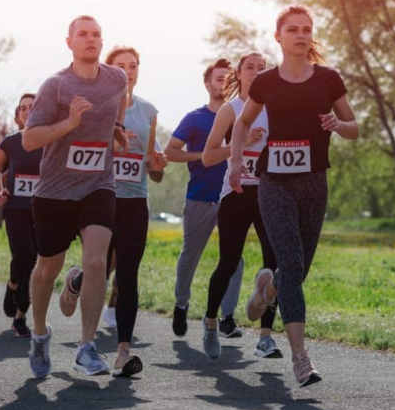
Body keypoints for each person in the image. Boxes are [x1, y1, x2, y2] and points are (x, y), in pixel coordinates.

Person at [230, 5, 359, 387]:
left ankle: (266, 290)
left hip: (314, 180)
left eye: (307, 29)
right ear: (279, 36)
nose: (301, 35)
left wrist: (339, 124)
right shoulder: (266, 82)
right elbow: (242, 122)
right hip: (275, 181)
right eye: (293, 30)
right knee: (290, 259)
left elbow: (353, 127)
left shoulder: (328, 80)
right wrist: (236, 161)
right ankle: (300, 358)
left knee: (298, 268)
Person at [22, 15, 129, 379]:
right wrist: (69, 123)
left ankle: (86, 347)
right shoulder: (55, 86)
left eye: (96, 34)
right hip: (54, 191)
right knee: (47, 268)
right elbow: (29, 139)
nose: (91, 40)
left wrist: (116, 128)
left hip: (98, 184)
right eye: (82, 35)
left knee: (97, 261)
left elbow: (121, 103)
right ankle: (39, 333)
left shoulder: (116, 79)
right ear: (69, 42)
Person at [84, 45, 167, 375]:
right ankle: (85, 339)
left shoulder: (148, 111)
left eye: (134, 66)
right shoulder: (96, 108)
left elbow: (154, 169)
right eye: (121, 66)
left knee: (128, 275)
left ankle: (123, 352)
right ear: (109, 70)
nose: (129, 71)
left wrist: (157, 163)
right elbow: (83, 155)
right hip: (100, 198)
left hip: (135, 201)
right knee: (97, 271)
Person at [199, 52, 283, 359]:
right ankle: (210, 321)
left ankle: (265, 336)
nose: (257, 72)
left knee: (273, 264)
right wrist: (243, 145)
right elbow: (207, 158)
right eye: (251, 67)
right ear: (239, 73)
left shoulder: (277, 109)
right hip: (235, 192)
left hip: (269, 192)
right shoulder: (230, 109)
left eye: (263, 68)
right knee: (229, 262)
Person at [164, 60, 244, 338]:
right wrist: (204, 155)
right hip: (200, 197)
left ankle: (228, 316)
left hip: (233, 196)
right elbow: (170, 151)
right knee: (191, 255)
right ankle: (181, 304)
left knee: (234, 259)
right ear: (207, 83)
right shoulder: (195, 118)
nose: (222, 82)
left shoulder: (241, 115)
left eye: (227, 78)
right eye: (217, 78)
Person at [0, 93, 42, 337]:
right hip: (16, 210)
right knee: (23, 254)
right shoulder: (10, 142)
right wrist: (0, 191)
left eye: (33, 107)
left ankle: (20, 318)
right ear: (18, 115)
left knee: (33, 265)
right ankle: (12, 284)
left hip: (42, 210)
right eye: (23, 108)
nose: (28, 111)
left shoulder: (50, 141)